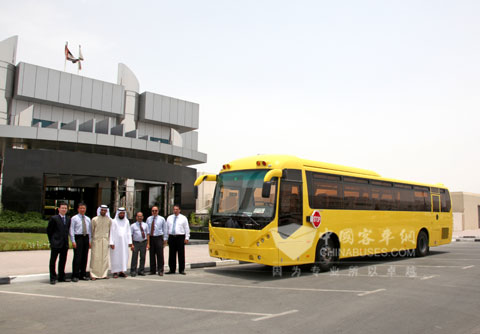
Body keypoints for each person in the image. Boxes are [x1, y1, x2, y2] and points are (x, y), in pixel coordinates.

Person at [46, 202, 71, 284]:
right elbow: (49, 231)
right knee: (53, 261)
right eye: (62, 208)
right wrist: (52, 241)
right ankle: (52, 278)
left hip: (64, 244)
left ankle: (61, 277)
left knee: (63, 261)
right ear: (59, 209)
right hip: (56, 243)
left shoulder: (68, 219)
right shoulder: (54, 218)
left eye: (65, 208)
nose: (64, 209)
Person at [69, 202, 91, 282]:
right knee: (77, 257)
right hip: (78, 238)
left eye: (84, 208)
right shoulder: (74, 218)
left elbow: (90, 231)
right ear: (78, 209)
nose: (82, 210)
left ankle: (83, 274)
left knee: (85, 257)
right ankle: (75, 275)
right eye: (81, 208)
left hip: (86, 237)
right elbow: (71, 230)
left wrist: (90, 240)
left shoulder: (88, 219)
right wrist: (73, 241)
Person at [166, 205, 190, 275]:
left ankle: (181, 269)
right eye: (174, 209)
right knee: (171, 254)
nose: (175, 211)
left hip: (180, 237)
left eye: (177, 209)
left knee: (181, 254)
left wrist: (187, 237)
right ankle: (172, 269)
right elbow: (166, 228)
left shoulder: (183, 218)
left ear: (179, 210)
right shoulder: (169, 218)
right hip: (171, 237)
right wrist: (166, 238)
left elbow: (186, 228)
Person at [90, 205, 112, 280]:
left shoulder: (109, 220)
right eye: (102, 210)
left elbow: (110, 231)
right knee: (95, 258)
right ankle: (94, 274)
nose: (103, 211)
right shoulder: (94, 219)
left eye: (104, 210)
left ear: (106, 211)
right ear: (99, 210)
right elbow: (92, 231)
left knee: (104, 258)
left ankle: (104, 274)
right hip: (96, 241)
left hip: (105, 241)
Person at [110, 207, 132, 278]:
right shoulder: (114, 221)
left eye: (123, 213)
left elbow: (129, 232)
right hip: (116, 243)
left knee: (124, 256)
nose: (122, 214)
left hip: (124, 243)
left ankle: (122, 271)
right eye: (121, 213)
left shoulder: (127, 221)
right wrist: (111, 242)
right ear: (118, 214)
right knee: (115, 257)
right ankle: (115, 271)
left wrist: (130, 241)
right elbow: (112, 232)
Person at [146, 206, 168, 276]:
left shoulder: (162, 219)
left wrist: (165, 239)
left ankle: (160, 270)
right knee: (152, 254)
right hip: (151, 238)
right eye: (153, 211)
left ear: (158, 211)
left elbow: (165, 229)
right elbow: (147, 230)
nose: (154, 212)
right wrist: (148, 241)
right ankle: (152, 270)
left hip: (159, 238)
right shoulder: (148, 219)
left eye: (155, 211)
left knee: (160, 255)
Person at [130, 212, 148, 277]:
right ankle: (133, 271)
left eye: (141, 216)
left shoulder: (145, 225)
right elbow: (131, 235)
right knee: (134, 257)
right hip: (136, 243)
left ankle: (141, 270)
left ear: (143, 217)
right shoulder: (133, 226)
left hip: (143, 242)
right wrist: (131, 244)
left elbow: (147, 234)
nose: (140, 218)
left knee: (143, 257)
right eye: (138, 216)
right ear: (136, 217)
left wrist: (148, 243)